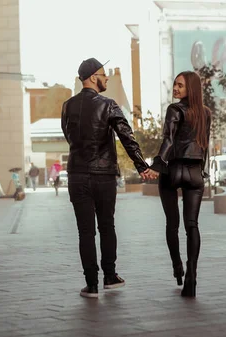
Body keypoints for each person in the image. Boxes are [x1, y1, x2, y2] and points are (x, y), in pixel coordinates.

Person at [62, 57, 150, 298]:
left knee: (85, 232)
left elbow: (69, 137)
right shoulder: (108, 105)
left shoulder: (67, 106)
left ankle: (91, 284)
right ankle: (110, 276)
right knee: (107, 226)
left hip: (77, 175)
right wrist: (142, 166)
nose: (107, 77)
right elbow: (127, 137)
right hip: (103, 176)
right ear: (92, 77)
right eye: (103, 73)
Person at [147, 71, 211, 298]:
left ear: (190, 89)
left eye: (180, 86)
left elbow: (169, 139)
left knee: (172, 224)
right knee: (192, 225)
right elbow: (204, 144)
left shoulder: (174, 110)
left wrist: (157, 163)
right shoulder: (205, 113)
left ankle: (177, 267)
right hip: (195, 172)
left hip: (172, 170)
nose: (175, 89)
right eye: (175, 84)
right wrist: (203, 171)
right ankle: (192, 277)